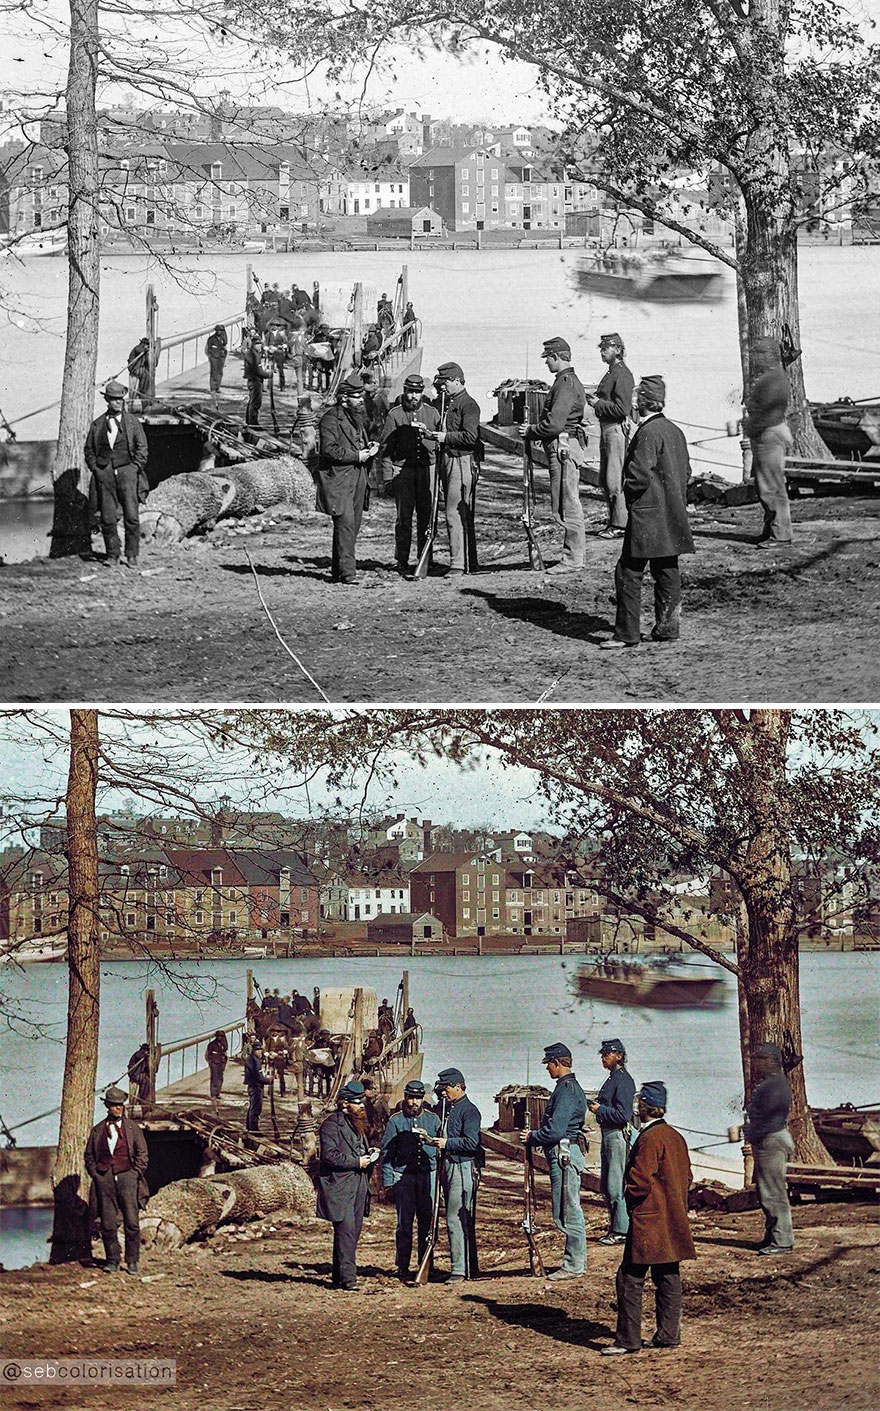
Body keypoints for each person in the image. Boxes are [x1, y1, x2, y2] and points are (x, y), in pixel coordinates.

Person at [600, 374, 695, 650]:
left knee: (628, 572)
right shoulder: (674, 431)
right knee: (667, 569)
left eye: (636, 399)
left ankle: (626, 634)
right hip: (672, 514)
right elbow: (686, 472)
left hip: (647, 515)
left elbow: (638, 475)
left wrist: (629, 498)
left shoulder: (648, 432)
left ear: (642, 402)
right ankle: (667, 628)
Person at [601, 1080, 695, 1355]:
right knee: (668, 1275)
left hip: (649, 1220)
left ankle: (627, 1340)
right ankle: (668, 1335)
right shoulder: (676, 1137)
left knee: (629, 1278)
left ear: (643, 1108)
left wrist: (631, 1202)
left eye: (639, 1105)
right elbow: (686, 1178)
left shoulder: (649, 1138)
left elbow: (639, 1181)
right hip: (673, 1218)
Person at [519, 336, 587, 574]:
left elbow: (555, 424)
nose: (546, 363)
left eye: (547, 358)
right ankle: (572, 557)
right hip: (564, 446)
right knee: (565, 502)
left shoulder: (565, 383)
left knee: (567, 504)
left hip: (563, 447)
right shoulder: (567, 381)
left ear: (556, 357)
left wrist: (531, 431)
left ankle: (572, 559)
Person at [522, 1042, 587, 1278]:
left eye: (549, 1064)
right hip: (564, 1154)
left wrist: (532, 1136)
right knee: (565, 1210)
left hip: (564, 1154)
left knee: (569, 1211)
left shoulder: (566, 1089)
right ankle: (573, 1262)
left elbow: (556, 1130)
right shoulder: (568, 1087)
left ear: (557, 1063)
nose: (547, 1069)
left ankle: (573, 1264)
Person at [316, 371, 379, 585]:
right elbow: (329, 450)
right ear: (344, 398)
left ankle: (338, 569)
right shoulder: (330, 418)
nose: (361, 400)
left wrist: (370, 446)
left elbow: (361, 437)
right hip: (339, 479)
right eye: (357, 396)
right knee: (345, 524)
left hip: (358, 478)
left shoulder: (357, 416)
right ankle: (348, 573)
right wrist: (356, 455)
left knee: (352, 525)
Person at [316, 1081, 380, 1291]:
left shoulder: (358, 1122)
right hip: (340, 1186)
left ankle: (338, 1277)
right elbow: (329, 1156)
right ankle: (349, 1280)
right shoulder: (331, 1125)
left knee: (352, 1233)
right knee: (346, 1232)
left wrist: (371, 1155)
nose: (361, 1106)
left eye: (362, 1102)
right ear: (344, 1103)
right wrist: (356, 1162)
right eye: (356, 1103)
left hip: (359, 1185)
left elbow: (359, 1147)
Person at [421, 362, 481, 576]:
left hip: (461, 461)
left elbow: (471, 437)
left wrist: (445, 437)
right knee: (457, 512)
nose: (443, 387)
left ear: (457, 380)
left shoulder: (468, 404)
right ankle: (469, 563)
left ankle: (458, 565)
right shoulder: (449, 402)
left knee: (454, 513)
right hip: (448, 459)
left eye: (446, 382)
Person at [422, 1067, 482, 1282]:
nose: (444, 1094)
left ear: (458, 1087)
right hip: (450, 1165)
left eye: (447, 1089)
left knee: (456, 1218)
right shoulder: (449, 1108)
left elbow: (472, 1142)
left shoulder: (470, 1111)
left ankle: (459, 1270)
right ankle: (469, 1268)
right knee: (459, 1218)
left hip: (463, 1167)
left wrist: (447, 1143)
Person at [84, 1086, 149, 1276]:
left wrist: (135, 1173)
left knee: (132, 1222)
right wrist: (96, 1174)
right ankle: (112, 1261)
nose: (118, 1108)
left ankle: (132, 1261)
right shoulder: (97, 1130)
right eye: (115, 1106)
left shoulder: (132, 1128)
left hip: (128, 1177)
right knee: (108, 1224)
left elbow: (142, 1154)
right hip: (104, 1179)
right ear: (108, 1107)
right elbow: (89, 1156)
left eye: (121, 1105)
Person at [379, 373, 440, 575]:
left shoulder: (432, 414)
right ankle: (402, 559)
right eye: (409, 392)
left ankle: (425, 558)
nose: (413, 396)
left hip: (427, 470)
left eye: (417, 392)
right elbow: (385, 449)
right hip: (402, 472)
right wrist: (387, 479)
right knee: (403, 518)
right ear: (404, 392)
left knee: (426, 517)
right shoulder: (394, 415)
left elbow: (442, 443)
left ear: (422, 393)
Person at [84, 381, 149, 571]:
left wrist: (135, 468)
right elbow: (88, 450)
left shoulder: (132, 422)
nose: (118, 403)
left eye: (120, 399)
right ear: (107, 401)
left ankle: (132, 555)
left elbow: (142, 448)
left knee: (131, 516)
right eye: (114, 400)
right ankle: (112, 554)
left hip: (127, 472)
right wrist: (96, 469)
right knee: (107, 517)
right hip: (105, 474)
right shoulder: (97, 424)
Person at [381, 1079, 441, 1281]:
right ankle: (402, 1265)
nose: (414, 1102)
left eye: (417, 1098)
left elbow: (442, 1150)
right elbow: (387, 1154)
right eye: (410, 1097)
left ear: (423, 1099)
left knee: (427, 1223)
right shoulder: (395, 1122)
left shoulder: (433, 1120)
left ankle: (426, 1264)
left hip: (428, 1176)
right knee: (404, 1224)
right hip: (403, 1178)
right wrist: (388, 1183)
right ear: (405, 1098)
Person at [744, 1042, 795, 1255]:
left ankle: (782, 1241)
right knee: (767, 1191)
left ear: (771, 1061)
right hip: (771, 1138)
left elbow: (768, 1119)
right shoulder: (774, 1082)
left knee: (773, 1192)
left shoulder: (774, 1085)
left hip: (771, 1140)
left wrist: (749, 1133)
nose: (757, 1063)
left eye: (761, 1059)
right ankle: (772, 1236)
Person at [585, 332, 635, 538]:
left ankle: (620, 526)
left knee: (614, 480)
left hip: (615, 429)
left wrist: (598, 404)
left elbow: (622, 409)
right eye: (602, 349)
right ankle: (613, 522)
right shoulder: (611, 372)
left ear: (617, 350)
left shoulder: (622, 374)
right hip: (606, 428)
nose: (602, 353)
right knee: (605, 480)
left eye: (605, 349)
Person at [744, 336, 794, 546]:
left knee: (772, 486)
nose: (756, 358)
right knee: (764, 486)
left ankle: (781, 536)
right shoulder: (770, 377)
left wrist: (748, 426)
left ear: (770, 355)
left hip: (769, 435)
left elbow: (768, 415)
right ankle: (771, 529)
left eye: (760, 354)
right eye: (755, 354)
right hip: (764, 433)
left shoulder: (775, 380)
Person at [588, 1037, 637, 1244]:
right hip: (608, 1134)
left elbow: (623, 1115)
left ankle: (621, 1231)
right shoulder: (614, 1078)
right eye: (602, 1055)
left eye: (606, 1054)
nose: (603, 1058)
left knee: (615, 1184)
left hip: (616, 1135)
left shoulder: (623, 1080)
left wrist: (600, 1109)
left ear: (619, 1056)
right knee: (607, 1185)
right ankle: (616, 1228)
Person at [244, 1040, 270, 1132]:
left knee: (253, 1107)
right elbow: (257, 1075)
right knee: (255, 1109)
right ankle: (253, 1129)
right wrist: (268, 1080)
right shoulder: (253, 1060)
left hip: (255, 1086)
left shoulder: (254, 1060)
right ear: (254, 1050)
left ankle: (249, 1126)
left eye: (260, 1050)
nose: (260, 1052)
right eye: (257, 1050)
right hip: (255, 1086)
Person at [243, 334, 269, 426]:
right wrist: (268, 374)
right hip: (255, 381)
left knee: (252, 401)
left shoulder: (252, 353)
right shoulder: (253, 354)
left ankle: (249, 421)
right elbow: (258, 370)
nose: (259, 346)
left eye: (260, 344)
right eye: (257, 344)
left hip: (253, 380)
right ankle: (253, 423)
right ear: (253, 344)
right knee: (255, 403)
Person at [205, 1030, 228, 1103]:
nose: (220, 1038)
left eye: (221, 1036)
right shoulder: (212, 1044)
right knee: (214, 1077)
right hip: (214, 1062)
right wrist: (210, 1062)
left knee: (220, 1078)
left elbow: (225, 1052)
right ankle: (213, 1094)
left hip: (221, 1062)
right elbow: (208, 1055)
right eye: (219, 1036)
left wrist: (224, 1062)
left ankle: (218, 1093)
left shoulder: (223, 1044)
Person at [205, 324, 228, 396]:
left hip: (221, 357)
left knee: (220, 372)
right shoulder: (211, 339)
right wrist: (210, 356)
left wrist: (225, 357)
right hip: (214, 357)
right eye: (218, 330)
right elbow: (207, 349)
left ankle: (217, 387)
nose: (219, 332)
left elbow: (225, 347)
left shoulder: (222, 338)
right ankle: (212, 388)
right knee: (214, 372)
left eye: (221, 330)